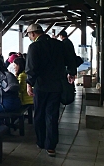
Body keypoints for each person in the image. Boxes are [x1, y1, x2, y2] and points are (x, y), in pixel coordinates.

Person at [25, 23, 77, 157]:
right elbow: (71, 58)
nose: (30, 38)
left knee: (39, 115)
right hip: (56, 86)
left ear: (33, 34)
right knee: (52, 116)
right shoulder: (58, 44)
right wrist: (71, 72)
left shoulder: (34, 46)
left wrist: (29, 83)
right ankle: (51, 146)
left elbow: (31, 68)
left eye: (29, 35)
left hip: (41, 87)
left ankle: (41, 142)